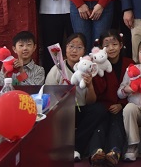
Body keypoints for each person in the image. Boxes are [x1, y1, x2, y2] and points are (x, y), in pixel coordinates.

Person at [45, 32, 107, 161]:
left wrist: (90, 86)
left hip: (80, 110)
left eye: (79, 47)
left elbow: (91, 102)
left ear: (84, 51)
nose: (74, 51)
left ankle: (76, 148)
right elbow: (48, 97)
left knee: (99, 109)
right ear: (65, 49)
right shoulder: (56, 69)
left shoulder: (88, 69)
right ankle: (71, 148)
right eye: (71, 46)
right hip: (62, 111)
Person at [89, 29, 133, 167]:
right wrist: (97, 71)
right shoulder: (98, 66)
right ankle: (96, 152)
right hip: (103, 106)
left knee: (117, 122)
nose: (111, 48)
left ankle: (114, 152)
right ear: (101, 48)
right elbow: (98, 91)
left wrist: (122, 104)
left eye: (114, 44)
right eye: (106, 45)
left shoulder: (129, 63)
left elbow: (134, 89)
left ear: (121, 45)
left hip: (121, 106)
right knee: (100, 123)